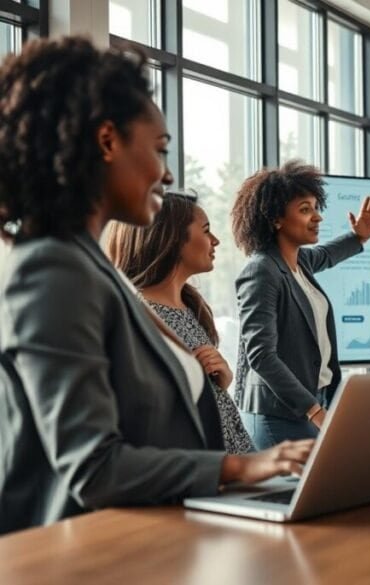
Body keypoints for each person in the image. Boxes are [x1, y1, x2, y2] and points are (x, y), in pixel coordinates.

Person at [0, 37, 312, 534]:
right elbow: (94, 468)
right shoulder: (52, 268)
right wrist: (240, 467)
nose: (167, 175)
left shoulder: (91, 265)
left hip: (151, 536)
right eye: (160, 149)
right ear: (107, 142)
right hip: (85, 552)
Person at [231, 162, 370, 449]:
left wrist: (359, 236)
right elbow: (261, 355)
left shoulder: (299, 262)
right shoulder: (262, 271)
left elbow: (327, 254)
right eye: (305, 209)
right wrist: (313, 410)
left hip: (311, 403)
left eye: (315, 207)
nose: (317, 217)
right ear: (276, 219)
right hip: (279, 413)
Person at [105, 190, 256, 454]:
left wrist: (222, 383)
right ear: (171, 240)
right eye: (206, 231)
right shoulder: (136, 317)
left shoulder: (191, 307)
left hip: (230, 461)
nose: (216, 240)